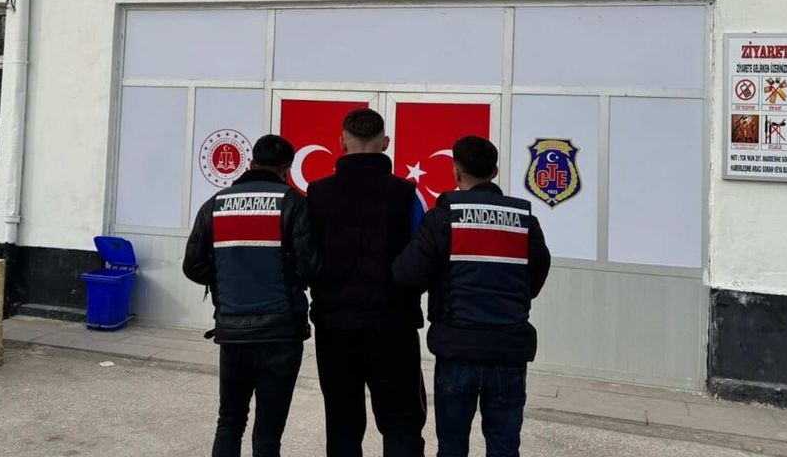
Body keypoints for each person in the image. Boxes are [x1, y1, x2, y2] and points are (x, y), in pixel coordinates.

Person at [392, 136, 551, 457]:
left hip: (457, 349)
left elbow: (406, 274)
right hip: (508, 349)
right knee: (504, 447)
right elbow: (536, 273)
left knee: (452, 447)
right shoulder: (524, 220)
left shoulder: (443, 217)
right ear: (494, 172)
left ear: (455, 171)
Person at [183, 134, 320, 457]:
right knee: (268, 435)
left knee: (230, 422)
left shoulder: (215, 204)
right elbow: (310, 267)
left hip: (233, 333)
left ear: (250, 162)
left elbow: (193, 266)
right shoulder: (293, 203)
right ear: (286, 169)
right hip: (281, 334)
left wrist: (225, 278)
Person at [306, 108, 427, 457]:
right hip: (394, 328)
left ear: (341, 142)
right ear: (385, 143)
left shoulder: (317, 194)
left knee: (342, 426)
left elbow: (307, 258)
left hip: (335, 328)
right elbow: (422, 259)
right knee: (402, 424)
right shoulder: (408, 195)